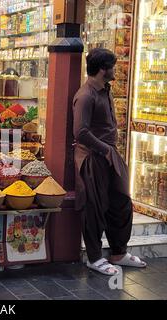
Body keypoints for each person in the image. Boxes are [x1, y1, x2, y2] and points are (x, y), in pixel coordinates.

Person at [73, 48, 147, 276]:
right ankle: (95, 258)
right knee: (94, 207)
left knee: (121, 202)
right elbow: (81, 132)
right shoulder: (85, 95)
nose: (116, 70)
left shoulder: (105, 90)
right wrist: (105, 150)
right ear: (103, 69)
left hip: (108, 154)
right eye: (113, 66)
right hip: (93, 158)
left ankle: (118, 252)